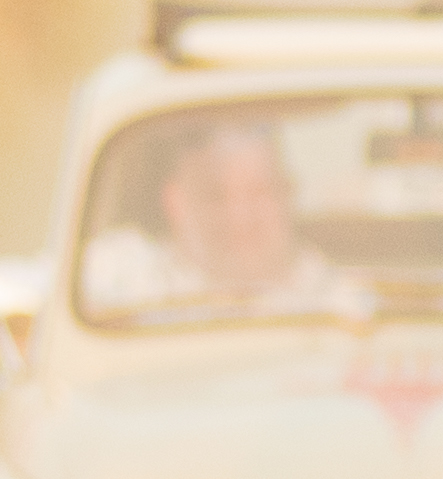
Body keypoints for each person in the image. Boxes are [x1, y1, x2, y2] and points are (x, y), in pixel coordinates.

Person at [74, 109, 358, 321]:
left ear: (287, 195)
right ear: (176, 202)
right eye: (216, 197)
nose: (240, 216)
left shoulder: (336, 306)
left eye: (259, 192)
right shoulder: (118, 273)